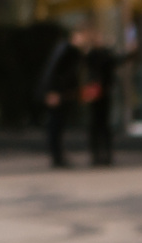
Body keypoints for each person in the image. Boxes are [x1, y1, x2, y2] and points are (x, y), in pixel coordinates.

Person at [36, 22, 96, 169]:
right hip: (57, 94)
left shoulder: (72, 51)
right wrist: (51, 92)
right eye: (83, 37)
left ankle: (59, 156)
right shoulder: (65, 50)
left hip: (62, 94)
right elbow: (53, 71)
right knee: (55, 125)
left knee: (58, 125)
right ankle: (57, 157)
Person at [83, 29, 122, 168]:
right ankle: (97, 155)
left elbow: (115, 61)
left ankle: (106, 154)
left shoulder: (104, 53)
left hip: (104, 93)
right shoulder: (92, 54)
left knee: (103, 125)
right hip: (95, 93)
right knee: (96, 125)